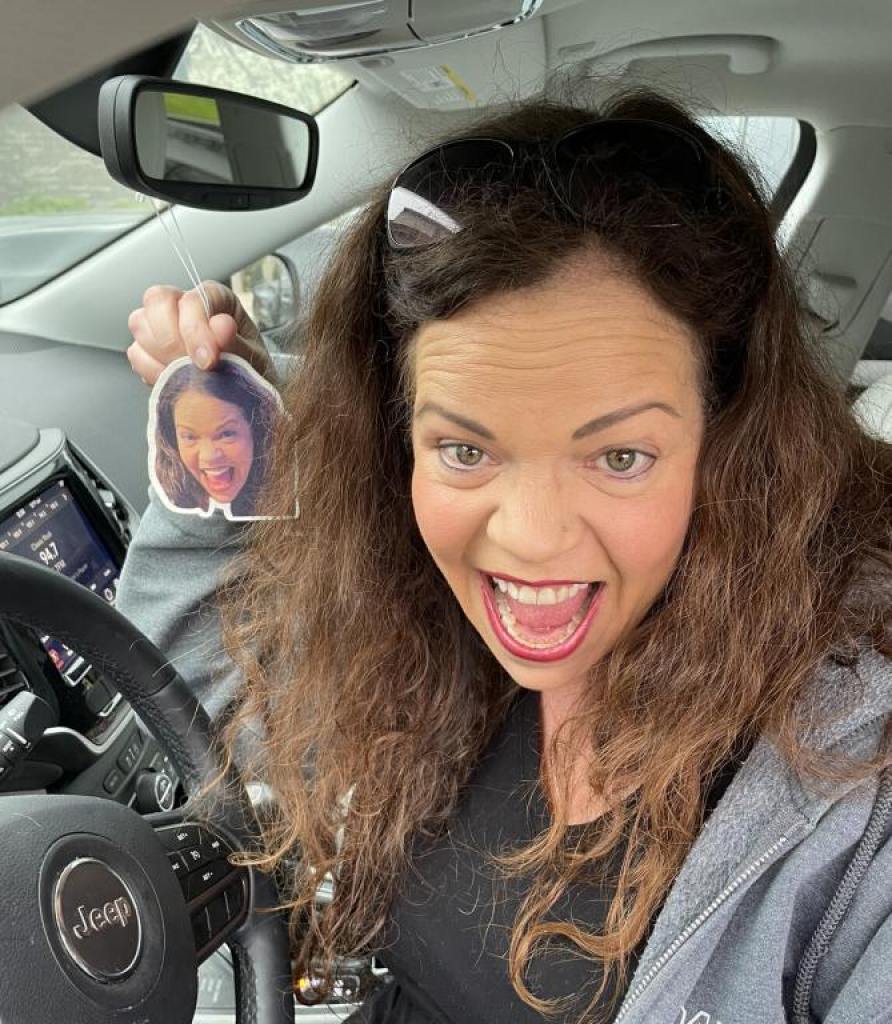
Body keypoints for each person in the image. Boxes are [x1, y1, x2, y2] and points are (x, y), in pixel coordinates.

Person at [117, 88, 892, 1024]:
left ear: (730, 444)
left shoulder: (855, 789)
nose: (528, 537)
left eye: (619, 457)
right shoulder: (410, 624)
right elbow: (213, 708)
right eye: (464, 450)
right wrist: (222, 436)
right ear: (397, 442)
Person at [149, 355, 281, 520]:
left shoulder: (291, 490)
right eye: (190, 437)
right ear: (172, 440)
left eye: (226, 434)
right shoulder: (169, 509)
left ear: (258, 428)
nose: (209, 456)